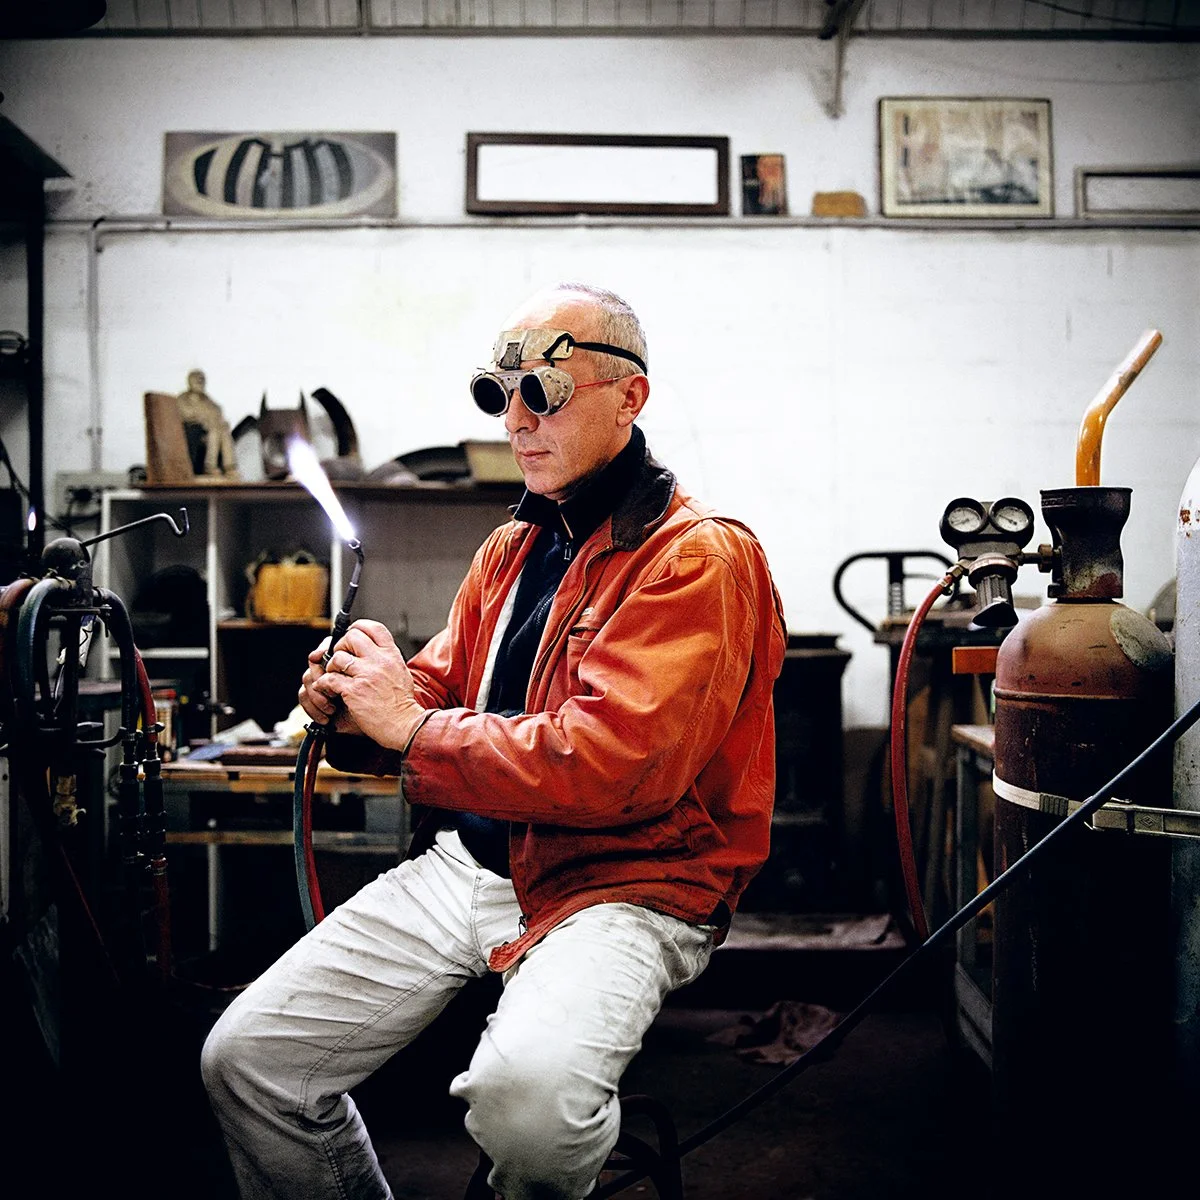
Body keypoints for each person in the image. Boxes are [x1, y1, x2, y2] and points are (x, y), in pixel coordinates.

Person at [201, 282, 787, 1200]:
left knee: (529, 1107)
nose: (514, 420)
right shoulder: (512, 547)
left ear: (629, 399)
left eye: (541, 392)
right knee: (250, 1058)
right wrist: (358, 698)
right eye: (496, 392)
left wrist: (414, 726)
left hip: (626, 878)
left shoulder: (696, 559)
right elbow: (442, 684)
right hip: (478, 861)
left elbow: (616, 764)